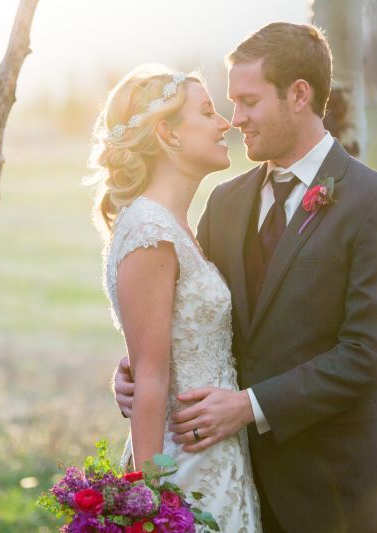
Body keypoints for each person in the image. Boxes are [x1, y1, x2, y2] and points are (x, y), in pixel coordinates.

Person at [112, 23, 377, 533]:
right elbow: (197, 313)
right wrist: (140, 373)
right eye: (228, 104)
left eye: (248, 102)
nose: (236, 120)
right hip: (236, 482)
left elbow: (370, 353)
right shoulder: (225, 202)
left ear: (298, 95)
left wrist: (249, 407)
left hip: (339, 493)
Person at [92, 63, 261, 531]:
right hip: (183, 467)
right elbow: (149, 376)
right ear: (167, 132)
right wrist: (145, 507)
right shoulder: (150, 228)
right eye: (208, 112)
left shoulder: (178, 224)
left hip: (220, 456)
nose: (225, 122)